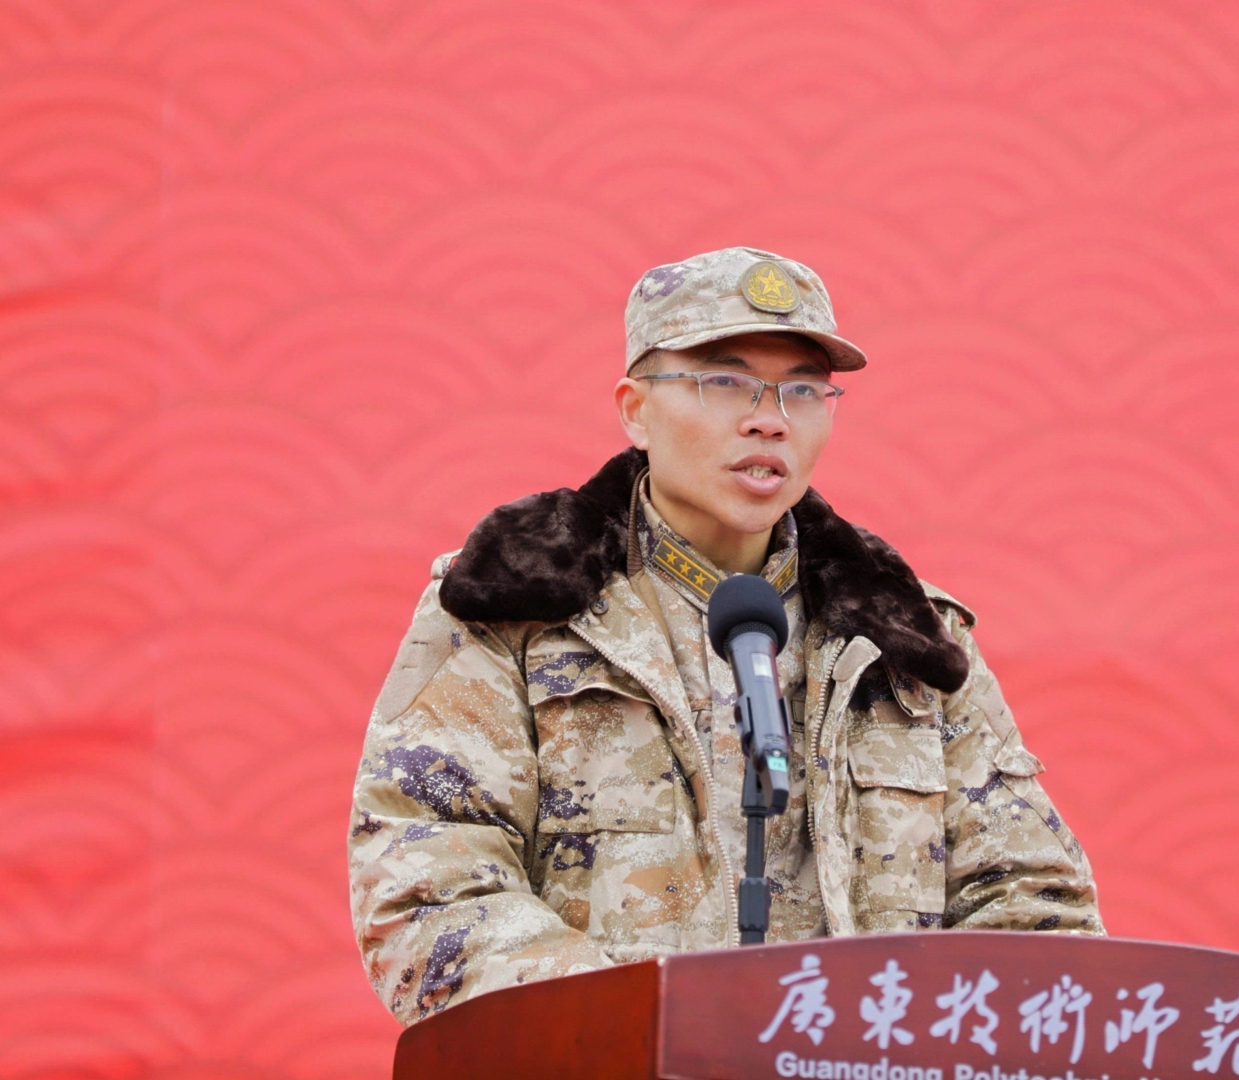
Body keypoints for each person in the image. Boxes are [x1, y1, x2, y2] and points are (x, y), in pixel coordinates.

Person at [348, 246, 1103, 1024]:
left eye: (802, 390)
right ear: (636, 409)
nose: (769, 418)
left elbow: (1034, 908)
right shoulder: (511, 604)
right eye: (724, 382)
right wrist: (649, 1030)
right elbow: (427, 883)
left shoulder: (905, 639)